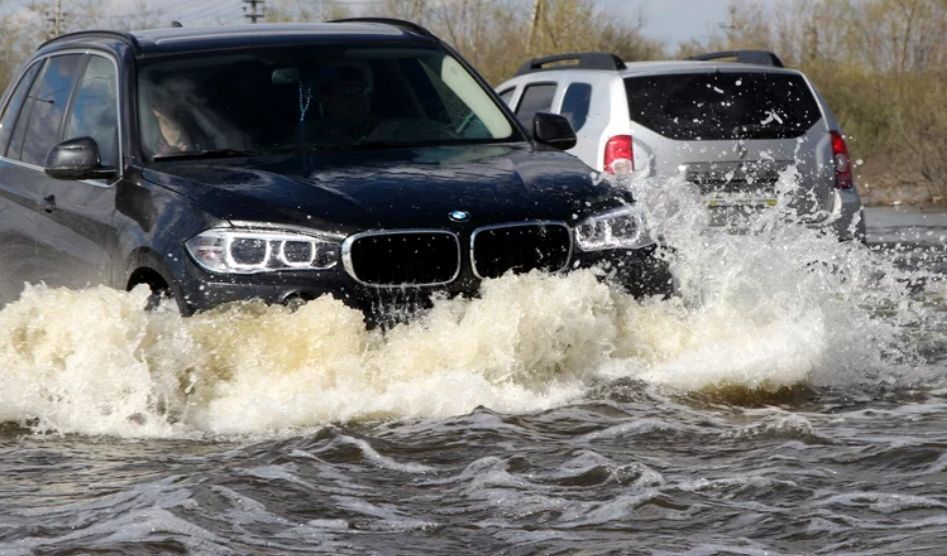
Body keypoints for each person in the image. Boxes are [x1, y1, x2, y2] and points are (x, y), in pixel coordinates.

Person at [313, 65, 378, 145]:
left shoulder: (384, 131)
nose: (359, 98)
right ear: (326, 101)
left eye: (363, 91)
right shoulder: (311, 137)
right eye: (348, 92)